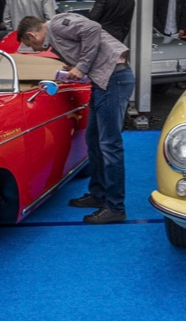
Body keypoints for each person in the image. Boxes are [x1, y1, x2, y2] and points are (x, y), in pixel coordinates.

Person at [17, 13, 133, 224]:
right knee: (94, 140)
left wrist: (81, 66)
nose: (33, 49)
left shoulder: (58, 24)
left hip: (114, 79)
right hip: (105, 81)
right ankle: (98, 194)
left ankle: (115, 207)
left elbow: (93, 29)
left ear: (32, 34)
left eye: (30, 44)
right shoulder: (55, 38)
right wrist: (75, 67)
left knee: (109, 144)